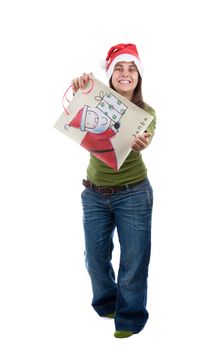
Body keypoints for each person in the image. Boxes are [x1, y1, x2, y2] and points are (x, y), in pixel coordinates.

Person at [71, 43, 156, 338]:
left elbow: (146, 135)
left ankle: (130, 318)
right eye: (119, 68)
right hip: (93, 194)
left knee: (134, 260)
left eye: (131, 68)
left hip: (133, 194)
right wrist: (79, 89)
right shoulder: (93, 103)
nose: (125, 73)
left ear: (139, 77)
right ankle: (107, 302)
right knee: (95, 259)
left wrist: (140, 142)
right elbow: (74, 113)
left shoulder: (147, 113)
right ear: (109, 74)